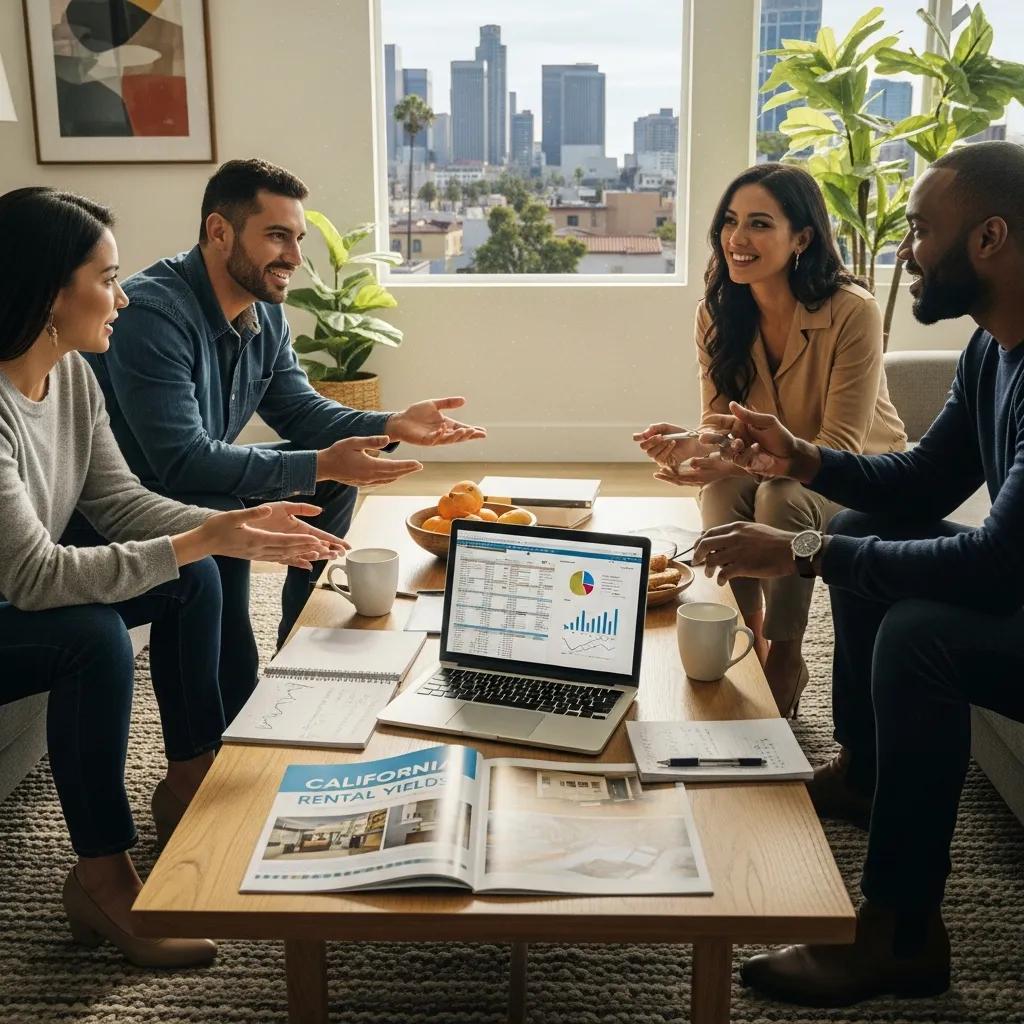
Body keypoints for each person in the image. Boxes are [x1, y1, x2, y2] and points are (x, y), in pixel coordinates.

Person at [690, 141, 1024, 1006]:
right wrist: (802, 459)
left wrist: (807, 548)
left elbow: (997, 566)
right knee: (878, 520)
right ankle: (868, 774)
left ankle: (901, 936)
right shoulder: (993, 348)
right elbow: (920, 481)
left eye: (920, 230)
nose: (906, 249)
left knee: (921, 638)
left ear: (989, 238)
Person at [0, 187, 346, 967]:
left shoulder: (70, 376)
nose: (123, 296)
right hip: (10, 601)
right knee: (93, 638)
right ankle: (101, 879)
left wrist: (229, 533)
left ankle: (189, 777)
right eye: (108, 278)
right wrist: (199, 538)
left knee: (198, 574)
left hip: (17, 592)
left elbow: (118, 500)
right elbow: (32, 577)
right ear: (50, 292)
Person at [82, 158, 486, 723]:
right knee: (228, 505)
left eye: (296, 239)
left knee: (330, 485)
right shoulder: (153, 313)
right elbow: (182, 462)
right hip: (128, 499)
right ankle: (239, 706)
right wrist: (317, 463)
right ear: (219, 231)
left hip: (186, 476)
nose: (295, 257)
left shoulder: (262, 313)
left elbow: (299, 410)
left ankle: (300, 657)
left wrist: (392, 424)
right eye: (277, 237)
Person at [634, 163, 906, 716]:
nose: (737, 239)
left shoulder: (853, 310)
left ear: (801, 237)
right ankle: (746, 635)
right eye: (730, 222)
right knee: (719, 494)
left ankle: (786, 655)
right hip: (774, 462)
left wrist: (740, 463)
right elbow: (718, 423)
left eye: (759, 224)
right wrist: (695, 447)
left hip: (856, 470)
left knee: (778, 498)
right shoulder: (717, 312)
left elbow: (841, 446)